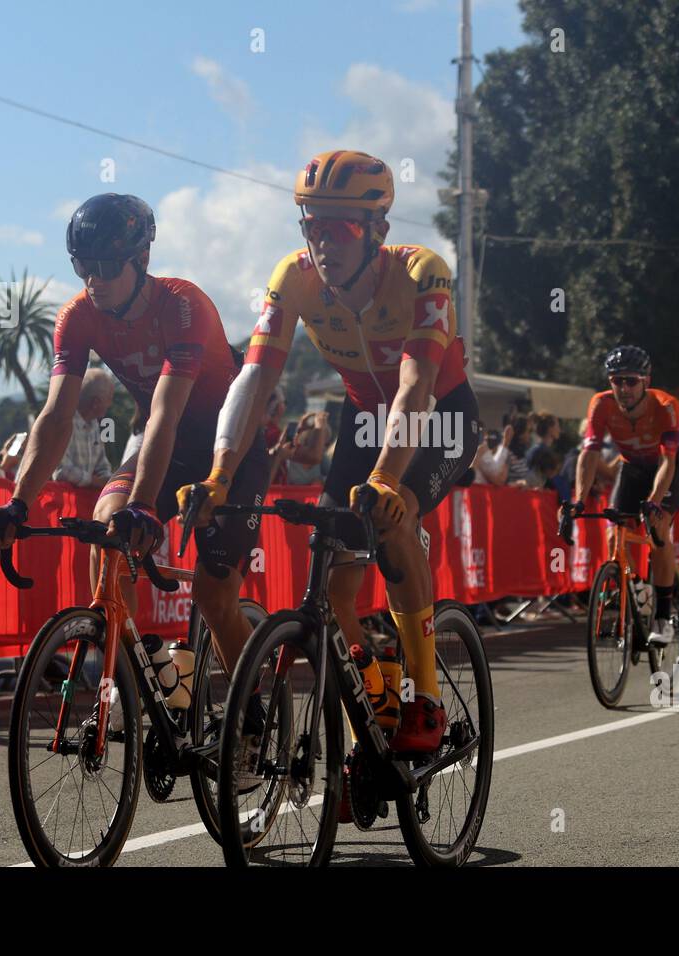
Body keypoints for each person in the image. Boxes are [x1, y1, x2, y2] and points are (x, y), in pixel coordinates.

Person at [185, 150, 480, 756]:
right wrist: (219, 473)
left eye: (340, 227)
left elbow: (415, 387)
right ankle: (370, 708)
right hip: (363, 419)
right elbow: (255, 381)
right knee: (332, 578)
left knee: (393, 519)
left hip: (439, 417)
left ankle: (426, 695)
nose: (323, 242)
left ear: (378, 231)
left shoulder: (424, 272)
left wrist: (385, 480)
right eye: (311, 225)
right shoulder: (292, 278)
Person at [0, 193, 271, 709]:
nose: (93, 278)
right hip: (168, 445)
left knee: (212, 594)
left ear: (141, 260)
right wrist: (19, 502)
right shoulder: (78, 316)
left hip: (231, 449)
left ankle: (254, 717)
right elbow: (55, 417)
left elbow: (165, 411)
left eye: (106, 266)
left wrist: (144, 504)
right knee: (106, 526)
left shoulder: (184, 305)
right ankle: (136, 687)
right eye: (81, 265)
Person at [569, 345, 679, 646]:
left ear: (645, 381)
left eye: (631, 380)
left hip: (668, 468)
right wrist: (579, 499)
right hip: (632, 467)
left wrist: (654, 502)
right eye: (616, 380)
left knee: (658, 528)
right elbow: (589, 455)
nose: (623, 387)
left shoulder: (666, 406)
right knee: (615, 536)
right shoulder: (600, 404)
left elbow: (668, 461)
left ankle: (663, 616)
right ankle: (638, 591)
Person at [51, 368, 115, 488]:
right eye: (109, 398)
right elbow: (61, 472)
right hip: (62, 503)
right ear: (96, 402)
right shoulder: (64, 423)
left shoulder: (94, 424)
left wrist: (109, 482)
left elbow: (102, 466)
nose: (110, 404)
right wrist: (95, 482)